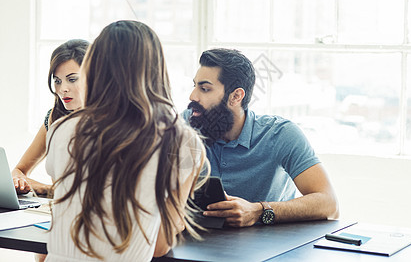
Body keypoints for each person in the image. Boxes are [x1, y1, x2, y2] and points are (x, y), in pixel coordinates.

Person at [44, 20, 209, 261]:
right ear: (156, 71)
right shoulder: (183, 143)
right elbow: (160, 246)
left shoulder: (60, 129)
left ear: (94, 68)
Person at [184, 48, 339, 227]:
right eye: (194, 86)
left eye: (204, 89)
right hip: (198, 243)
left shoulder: (281, 134)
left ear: (236, 96)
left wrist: (258, 211)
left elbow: (329, 205)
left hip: (268, 248)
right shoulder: (185, 125)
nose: (192, 96)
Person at [12, 39, 89, 195]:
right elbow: (19, 171)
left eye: (72, 79)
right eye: (57, 81)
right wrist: (22, 182)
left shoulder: (109, 122)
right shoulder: (54, 118)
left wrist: (49, 190)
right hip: (58, 211)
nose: (62, 89)